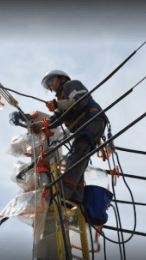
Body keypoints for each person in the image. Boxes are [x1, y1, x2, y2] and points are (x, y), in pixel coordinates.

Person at [32, 70, 107, 204]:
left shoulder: (71, 85)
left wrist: (57, 105)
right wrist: (40, 126)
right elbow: (57, 118)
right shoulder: (61, 98)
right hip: (87, 126)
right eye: (48, 85)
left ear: (62, 79)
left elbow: (80, 101)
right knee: (80, 159)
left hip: (91, 121)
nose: (50, 86)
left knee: (76, 155)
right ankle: (76, 196)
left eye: (52, 81)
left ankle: (65, 191)